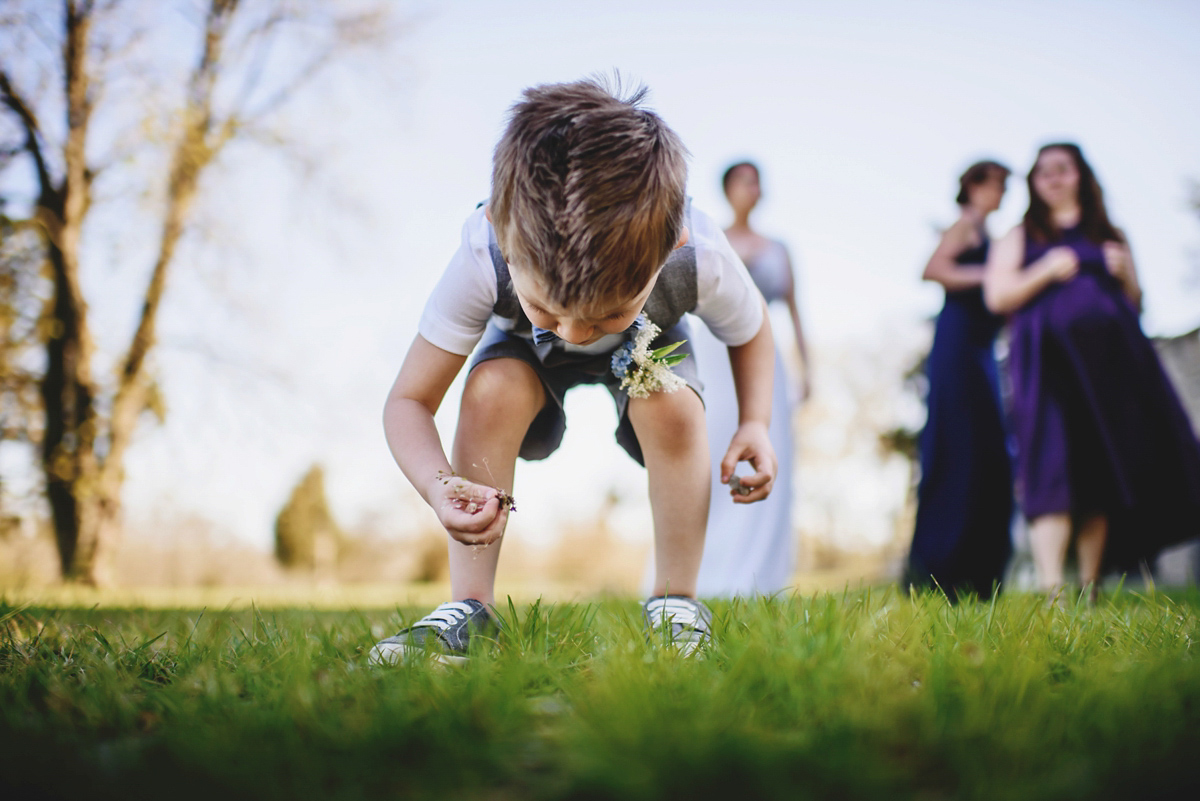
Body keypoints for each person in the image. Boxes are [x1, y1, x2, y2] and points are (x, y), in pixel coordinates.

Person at [369, 78, 778, 665]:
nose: (576, 333)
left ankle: (676, 605)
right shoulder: (481, 254)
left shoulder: (700, 251)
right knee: (491, 389)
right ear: (502, 238)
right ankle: (471, 609)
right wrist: (439, 487)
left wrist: (756, 423)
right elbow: (407, 401)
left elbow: (751, 328)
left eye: (609, 311)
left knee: (672, 404)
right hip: (519, 357)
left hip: (652, 346)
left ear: (674, 243)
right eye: (545, 308)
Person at [984, 142, 1200, 600]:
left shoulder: (1111, 233)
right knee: (1051, 466)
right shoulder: (1020, 237)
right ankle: (1051, 591)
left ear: (1081, 175)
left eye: (1063, 169)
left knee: (1099, 469)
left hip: (1108, 373)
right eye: (1043, 172)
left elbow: (1136, 305)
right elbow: (997, 297)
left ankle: (1089, 586)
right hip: (1047, 369)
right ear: (1034, 183)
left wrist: (1127, 278)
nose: (1054, 178)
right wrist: (1043, 271)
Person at [667, 161, 809, 596]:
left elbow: (795, 311)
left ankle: (761, 576)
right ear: (728, 189)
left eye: (757, 181)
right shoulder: (711, 236)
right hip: (712, 353)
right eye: (745, 181)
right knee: (708, 449)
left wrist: (808, 368)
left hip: (763, 355)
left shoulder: (779, 248)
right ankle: (697, 570)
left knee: (766, 450)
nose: (753, 188)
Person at [906, 160, 1014, 600]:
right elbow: (932, 269)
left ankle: (978, 574)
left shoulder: (990, 234)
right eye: (997, 185)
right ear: (974, 186)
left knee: (987, 454)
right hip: (958, 350)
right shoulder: (965, 226)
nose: (1003, 194)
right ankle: (942, 571)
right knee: (959, 450)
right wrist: (992, 276)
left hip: (982, 350)